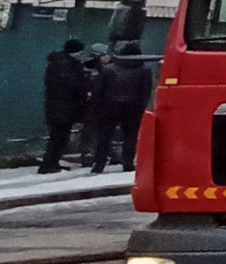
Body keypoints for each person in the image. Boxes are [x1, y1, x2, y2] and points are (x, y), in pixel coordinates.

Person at [85, 43, 153, 174]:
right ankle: (127, 163)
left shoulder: (109, 69)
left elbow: (99, 90)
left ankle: (99, 164)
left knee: (105, 136)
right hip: (133, 107)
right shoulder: (144, 69)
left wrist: (97, 106)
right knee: (130, 136)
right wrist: (142, 106)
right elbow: (146, 91)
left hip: (109, 106)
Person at [38, 38, 91, 174]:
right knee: (58, 137)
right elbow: (74, 85)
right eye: (79, 51)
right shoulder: (67, 66)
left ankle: (52, 163)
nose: (80, 54)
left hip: (58, 106)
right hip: (63, 107)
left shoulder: (58, 64)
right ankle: (48, 165)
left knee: (58, 137)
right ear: (74, 51)